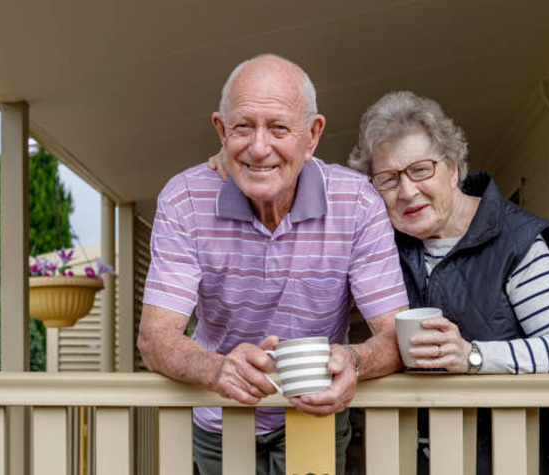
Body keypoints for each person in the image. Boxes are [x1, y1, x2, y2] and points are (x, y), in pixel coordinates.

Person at [137, 54, 409, 475]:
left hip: (313, 414)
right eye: (243, 127)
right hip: (220, 414)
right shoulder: (184, 200)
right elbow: (154, 339)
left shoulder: (356, 202)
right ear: (221, 131)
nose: (259, 147)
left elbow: (395, 334)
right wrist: (218, 369)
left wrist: (353, 361)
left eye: (279, 127)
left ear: (313, 134)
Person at [347, 91, 549, 474]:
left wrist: (473, 356)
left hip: (508, 458)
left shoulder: (516, 240)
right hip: (411, 457)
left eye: (421, 169)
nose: (407, 191)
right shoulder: (381, 246)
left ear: (453, 166)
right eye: (388, 179)